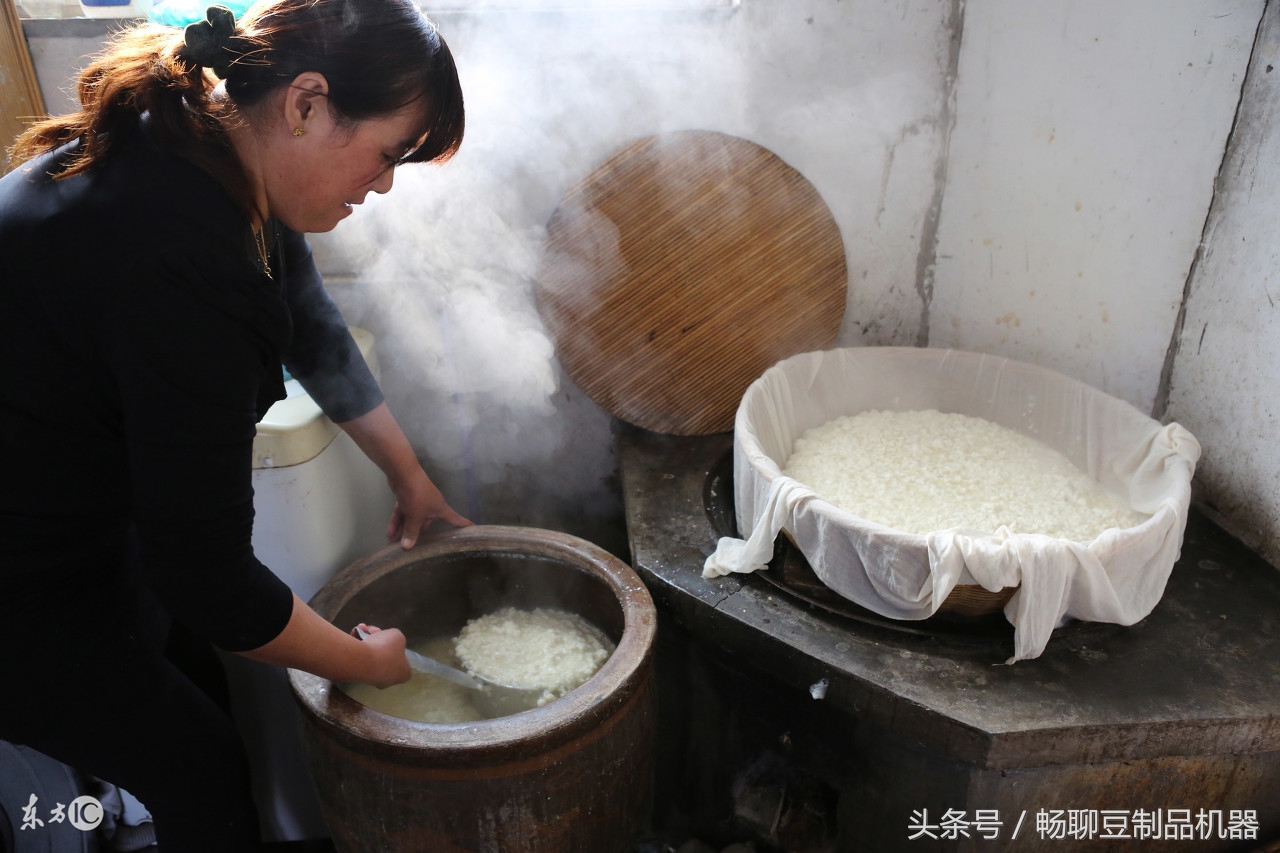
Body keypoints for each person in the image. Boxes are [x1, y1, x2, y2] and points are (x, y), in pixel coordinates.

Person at [0, 0, 468, 848]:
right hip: (17, 571)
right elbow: (210, 578)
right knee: (201, 765)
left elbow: (309, 320)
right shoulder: (179, 264)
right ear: (306, 103)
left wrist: (410, 476)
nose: (386, 182)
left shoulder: (208, 145)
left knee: (192, 690)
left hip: (72, 511)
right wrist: (369, 664)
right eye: (389, 153)